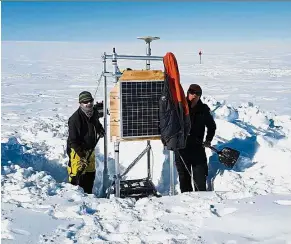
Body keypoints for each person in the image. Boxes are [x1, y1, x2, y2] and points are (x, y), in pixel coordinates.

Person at [175, 84, 216, 192]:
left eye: (197, 94)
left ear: (199, 96)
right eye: (192, 93)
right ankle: (187, 205)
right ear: (188, 93)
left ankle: (203, 205)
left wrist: (208, 140)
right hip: (181, 149)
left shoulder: (203, 110)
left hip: (198, 149)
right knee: (184, 181)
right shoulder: (179, 107)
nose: (194, 96)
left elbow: (212, 126)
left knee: (200, 182)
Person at [67, 91, 105, 194]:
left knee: (90, 174)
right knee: (77, 177)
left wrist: (100, 129)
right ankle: (75, 199)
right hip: (78, 151)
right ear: (80, 103)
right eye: (85, 102)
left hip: (90, 149)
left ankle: (89, 195)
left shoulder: (94, 113)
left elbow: (96, 124)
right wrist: (81, 154)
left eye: (90, 101)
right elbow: (73, 141)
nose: (88, 104)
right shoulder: (74, 119)